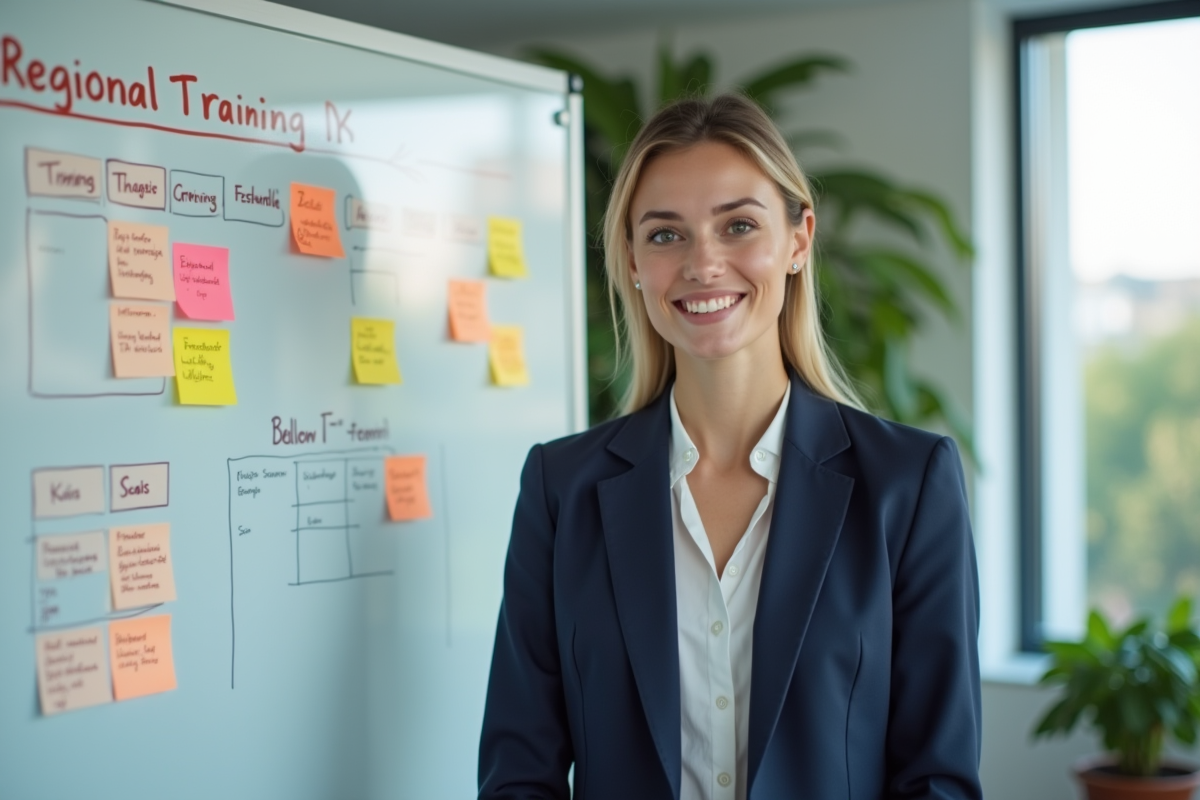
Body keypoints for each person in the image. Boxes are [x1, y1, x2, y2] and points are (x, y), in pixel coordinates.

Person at [478, 93, 981, 800]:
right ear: (630, 260)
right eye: (665, 235)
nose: (702, 263)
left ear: (800, 239)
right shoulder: (561, 490)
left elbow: (938, 779)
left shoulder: (908, 484)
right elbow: (518, 772)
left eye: (738, 225)